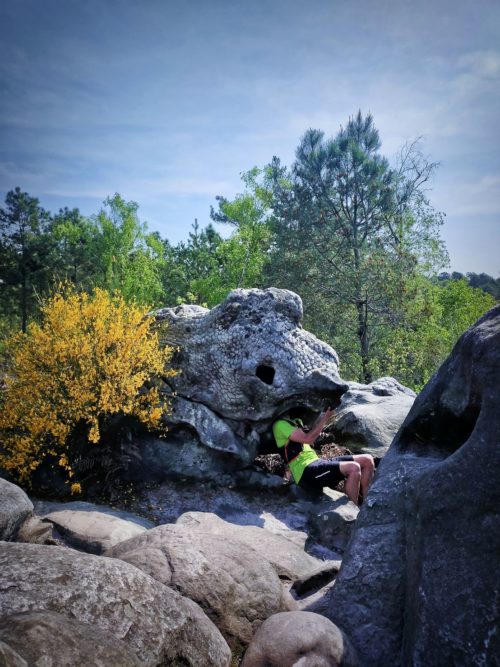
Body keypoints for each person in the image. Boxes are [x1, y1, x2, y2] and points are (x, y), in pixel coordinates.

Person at [272, 408, 374, 505]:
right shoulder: (280, 425)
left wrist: (324, 414)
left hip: (318, 462)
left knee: (367, 459)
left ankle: (366, 505)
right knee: (354, 467)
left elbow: (312, 436)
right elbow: (308, 439)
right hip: (305, 471)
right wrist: (326, 417)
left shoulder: (297, 421)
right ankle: (354, 514)